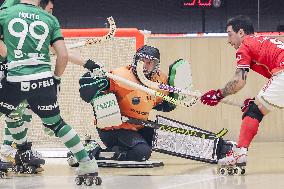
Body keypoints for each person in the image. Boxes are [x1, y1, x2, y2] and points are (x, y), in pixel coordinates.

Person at [0, 0, 99, 180]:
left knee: (14, 112)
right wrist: (55, 79)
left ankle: (13, 149)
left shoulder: (7, 12)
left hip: (15, 78)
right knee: (57, 124)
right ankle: (87, 163)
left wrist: (9, 56)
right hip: (43, 81)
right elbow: (63, 55)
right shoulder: (49, 19)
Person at [68, 45, 177, 164]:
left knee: (167, 138)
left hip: (138, 127)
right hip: (114, 129)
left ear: (155, 65)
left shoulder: (160, 80)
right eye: (142, 61)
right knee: (141, 153)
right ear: (135, 61)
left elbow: (162, 106)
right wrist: (92, 83)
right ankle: (91, 150)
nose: (145, 66)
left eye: (149, 62)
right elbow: (87, 94)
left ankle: (126, 148)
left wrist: (174, 98)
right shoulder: (120, 76)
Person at [200, 15, 284, 168]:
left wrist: (219, 94)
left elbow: (239, 81)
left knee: (253, 111)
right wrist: (256, 100)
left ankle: (239, 154)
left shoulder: (245, 45)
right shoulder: (262, 40)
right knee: (256, 106)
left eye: (229, 34)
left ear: (241, 32)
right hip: (280, 74)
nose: (228, 40)